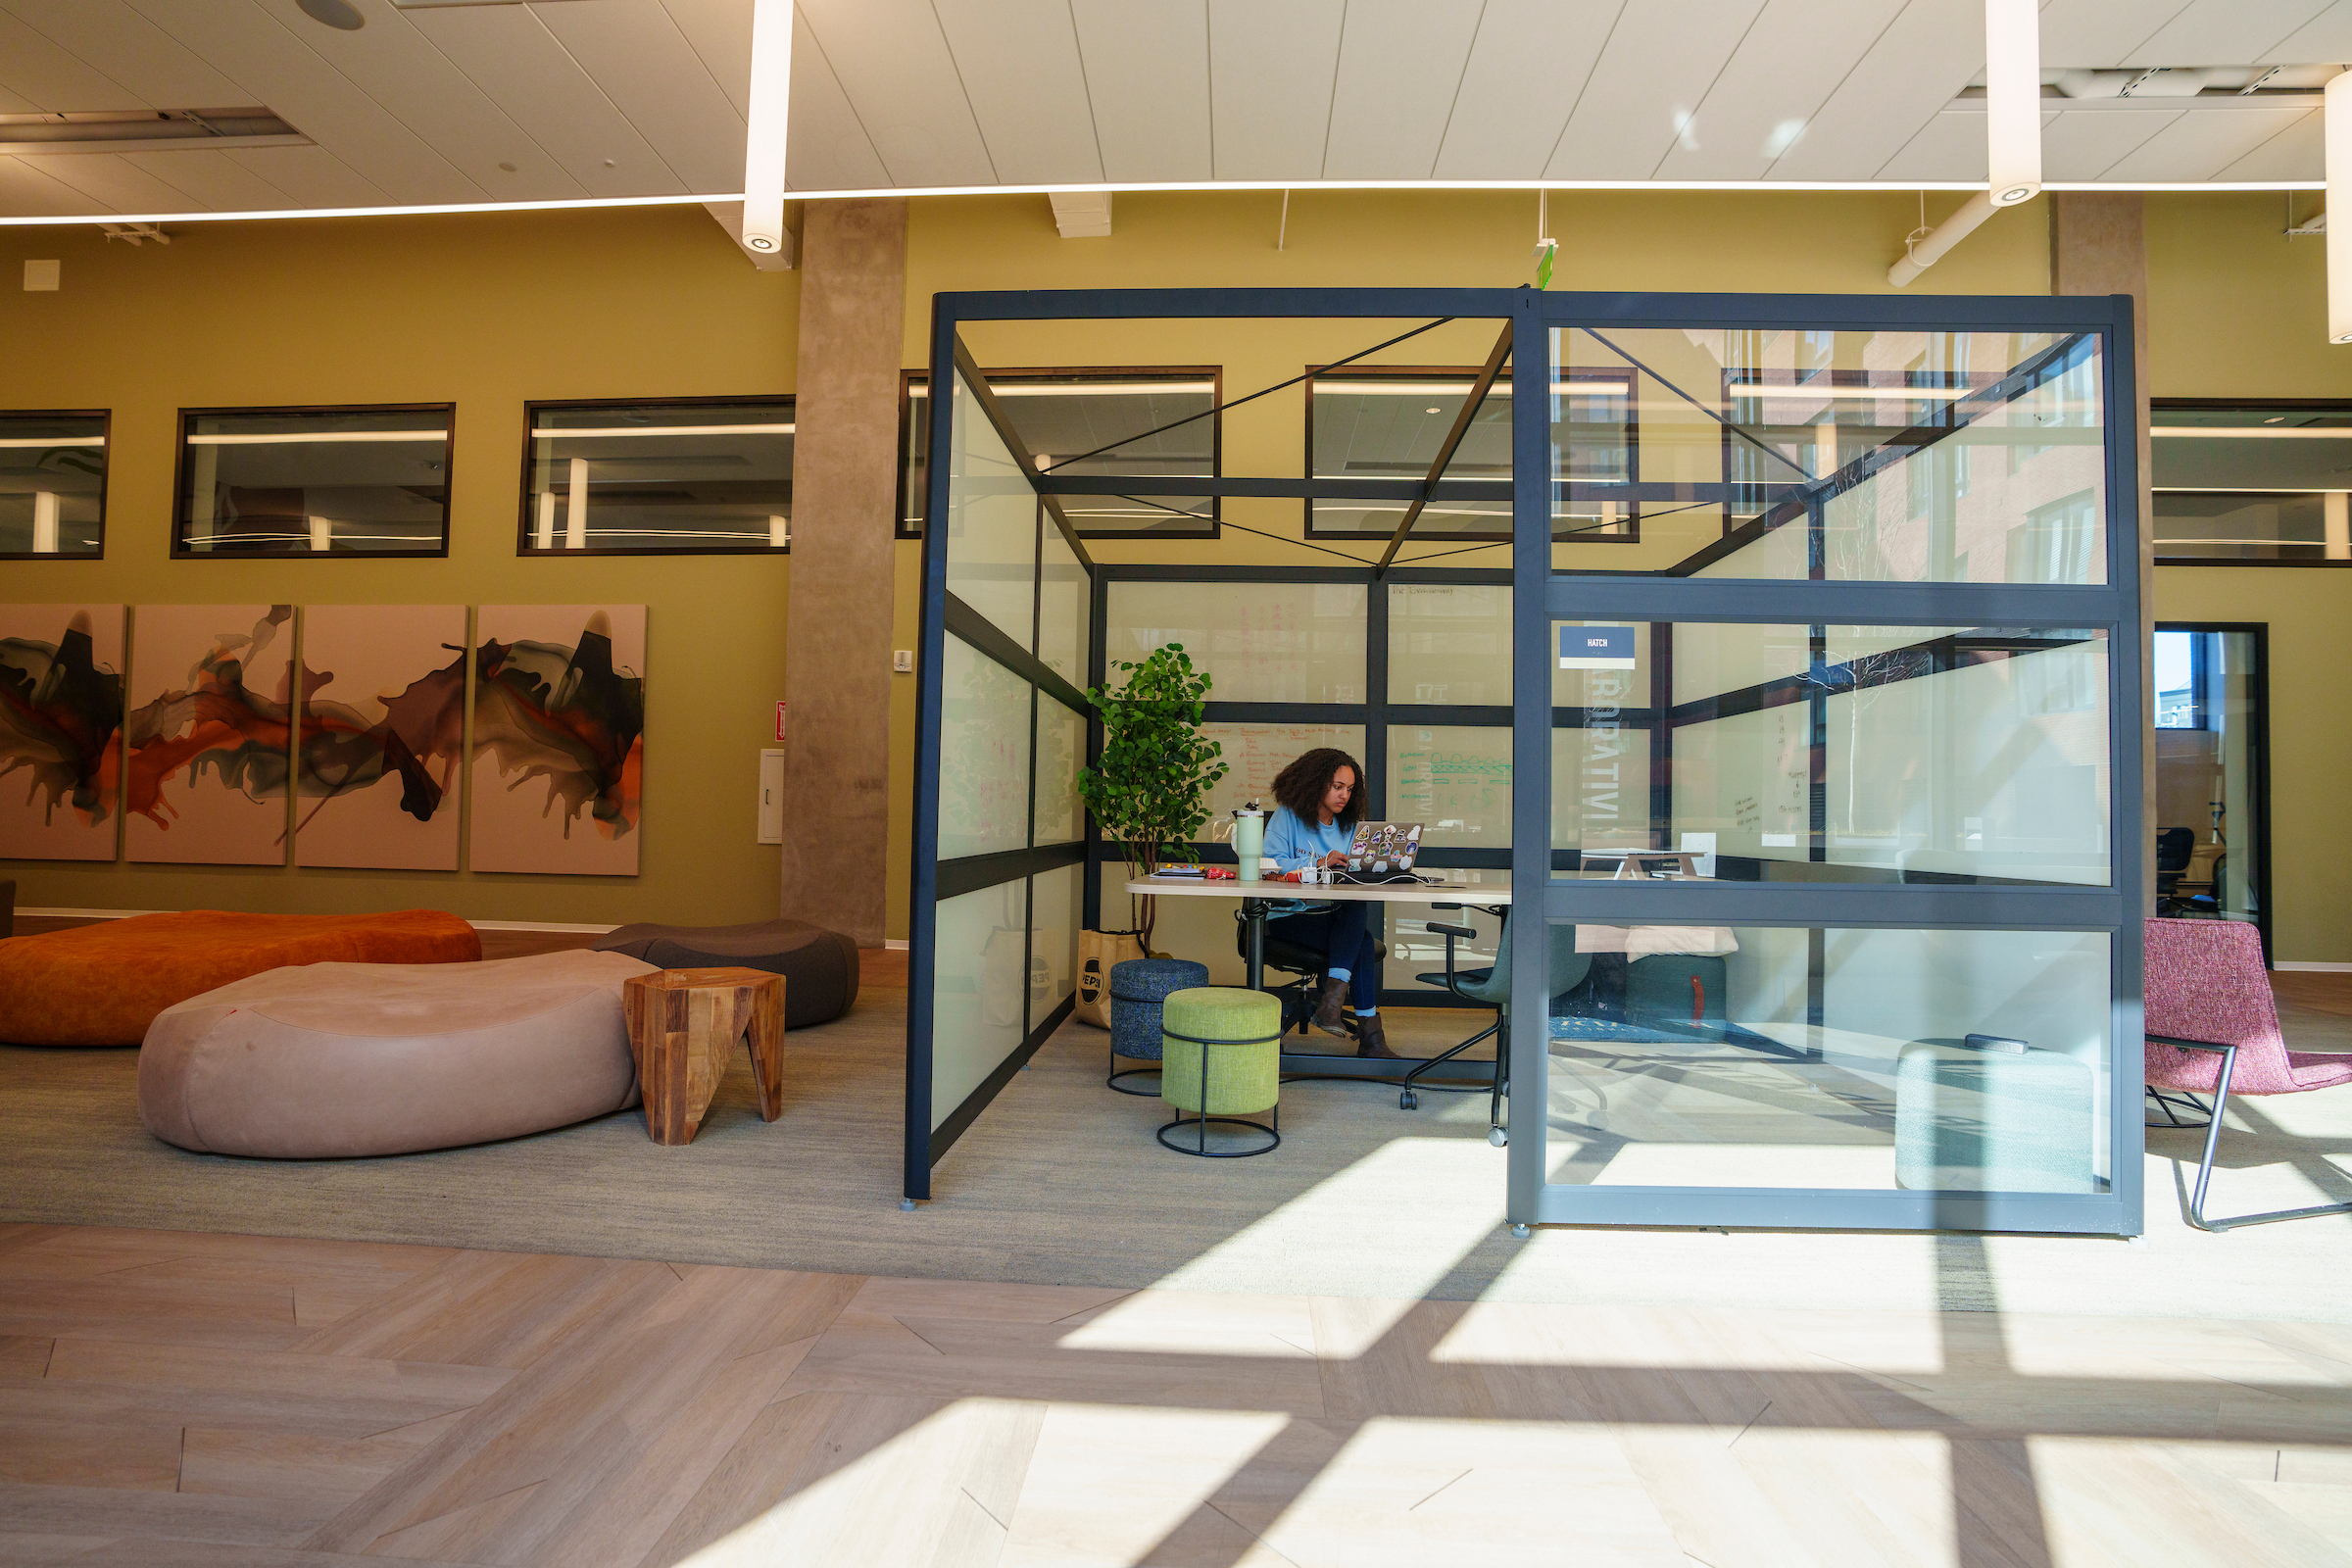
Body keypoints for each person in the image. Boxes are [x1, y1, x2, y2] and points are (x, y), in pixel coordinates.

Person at [1261, 747, 1396, 1058]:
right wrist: (1320, 863)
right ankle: (1369, 1039)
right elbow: (1268, 864)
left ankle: (1333, 1003)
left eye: (1350, 789)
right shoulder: (1288, 816)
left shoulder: (1349, 828)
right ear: (1316, 783)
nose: (1344, 795)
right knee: (1361, 941)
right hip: (1288, 916)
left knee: (1355, 908)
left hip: (1331, 916)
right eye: (1338, 787)